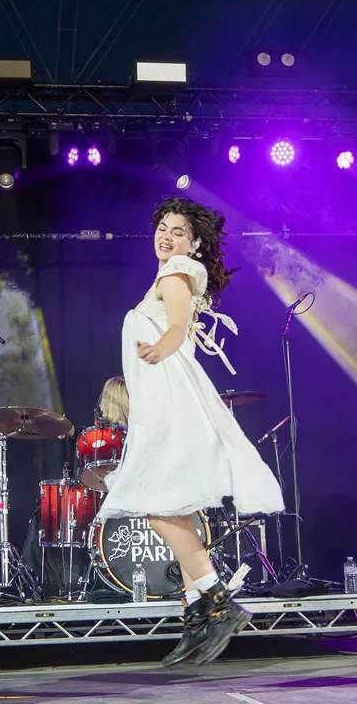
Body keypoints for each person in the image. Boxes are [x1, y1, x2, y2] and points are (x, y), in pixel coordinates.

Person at [96, 198, 282, 666]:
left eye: (178, 231)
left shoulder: (176, 273)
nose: (167, 236)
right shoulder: (171, 273)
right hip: (158, 406)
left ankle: (217, 600)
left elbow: (177, 326)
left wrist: (160, 348)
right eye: (162, 227)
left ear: (193, 242)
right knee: (171, 511)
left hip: (169, 407)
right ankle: (199, 610)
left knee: (158, 510)